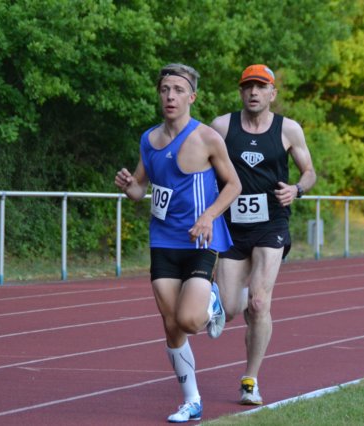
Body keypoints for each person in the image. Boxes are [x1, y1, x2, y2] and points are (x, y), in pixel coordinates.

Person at [114, 63, 241, 423]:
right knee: (171, 324)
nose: (170, 96)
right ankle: (192, 400)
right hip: (163, 240)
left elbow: (234, 185)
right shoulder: (148, 139)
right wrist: (129, 186)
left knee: (188, 320)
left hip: (200, 239)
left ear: (192, 97)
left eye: (178, 90)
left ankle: (213, 300)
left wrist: (209, 216)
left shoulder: (206, 138)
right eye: (165, 89)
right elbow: (140, 190)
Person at [210, 64, 316, 406]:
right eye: (248, 87)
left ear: (273, 93)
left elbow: (309, 172)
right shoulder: (222, 127)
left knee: (259, 303)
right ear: (241, 92)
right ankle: (239, 293)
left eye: (261, 87)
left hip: (271, 224)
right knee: (228, 309)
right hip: (231, 226)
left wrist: (297, 190)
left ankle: (250, 380)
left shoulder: (289, 129)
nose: (254, 92)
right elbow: (200, 164)